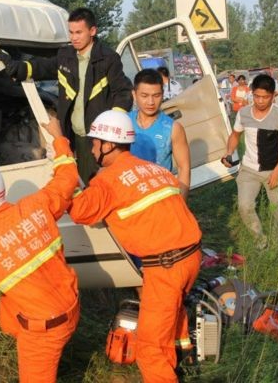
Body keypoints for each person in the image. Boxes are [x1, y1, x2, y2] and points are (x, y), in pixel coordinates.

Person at [68, 110, 202, 382]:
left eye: (95, 142)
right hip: (191, 257)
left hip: (166, 268)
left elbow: (80, 211)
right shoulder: (154, 169)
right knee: (172, 312)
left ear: (108, 145)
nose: (92, 147)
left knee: (149, 347)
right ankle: (180, 357)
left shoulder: (108, 180)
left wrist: (64, 170)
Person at [0, 116, 79, 383]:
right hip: (72, 305)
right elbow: (67, 177)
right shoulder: (37, 205)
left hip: (44, 330)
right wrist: (58, 137)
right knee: (10, 308)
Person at [0, 7, 133, 184]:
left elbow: (123, 92)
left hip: (97, 138)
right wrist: (17, 67)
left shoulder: (108, 59)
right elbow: (42, 67)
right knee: (72, 181)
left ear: (92, 31)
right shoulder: (65, 55)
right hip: (71, 135)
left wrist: (112, 128)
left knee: (98, 184)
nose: (74, 37)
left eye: (79, 32)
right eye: (71, 32)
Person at [222, 74, 278, 246]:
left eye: (265, 97)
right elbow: (235, 135)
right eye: (257, 96)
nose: (261, 101)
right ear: (252, 93)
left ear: (273, 95)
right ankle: (260, 241)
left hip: (273, 169)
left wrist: (277, 172)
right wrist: (229, 152)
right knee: (245, 207)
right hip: (249, 170)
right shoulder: (244, 113)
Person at [129, 69, 191, 200]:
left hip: (160, 199)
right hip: (128, 198)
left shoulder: (173, 128)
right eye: (144, 96)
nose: (151, 102)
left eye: (156, 96)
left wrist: (181, 204)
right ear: (134, 95)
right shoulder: (124, 123)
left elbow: (183, 167)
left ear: (163, 95)